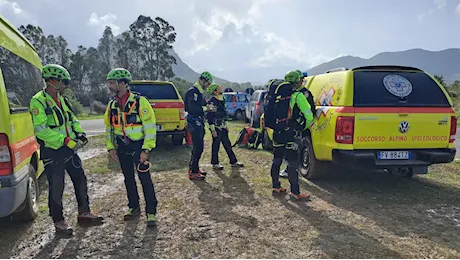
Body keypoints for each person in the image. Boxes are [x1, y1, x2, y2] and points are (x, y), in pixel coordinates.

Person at [30, 64, 103, 235]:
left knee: (80, 179)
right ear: (53, 81)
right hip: (53, 151)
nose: (66, 86)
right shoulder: (38, 101)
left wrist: (80, 133)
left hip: (69, 150)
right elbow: (41, 130)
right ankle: (59, 222)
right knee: (57, 186)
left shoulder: (63, 100)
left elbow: (72, 120)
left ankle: (84, 213)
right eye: (65, 82)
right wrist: (65, 140)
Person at [104, 68, 158, 226]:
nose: (109, 86)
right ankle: (133, 206)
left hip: (138, 145)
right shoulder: (112, 105)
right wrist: (110, 147)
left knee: (144, 178)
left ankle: (151, 211)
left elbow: (150, 127)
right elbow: (109, 128)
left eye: (112, 82)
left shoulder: (140, 102)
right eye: (109, 82)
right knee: (128, 177)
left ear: (123, 83)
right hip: (121, 146)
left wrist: (146, 149)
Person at [270, 70, 314, 200]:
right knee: (292, 163)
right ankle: (295, 192)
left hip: (278, 132)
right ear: (297, 81)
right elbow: (309, 115)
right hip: (291, 133)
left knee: (276, 160)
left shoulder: (277, 95)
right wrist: (303, 127)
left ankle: (275, 185)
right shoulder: (298, 95)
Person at [279, 70, 316, 178]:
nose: (301, 82)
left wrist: (303, 125)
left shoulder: (304, 94)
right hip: (288, 125)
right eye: (300, 80)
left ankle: (290, 170)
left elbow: (310, 111)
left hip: (298, 126)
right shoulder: (289, 92)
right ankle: (289, 169)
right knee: (289, 149)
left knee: (294, 149)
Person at [184, 71, 215, 180]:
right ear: (203, 80)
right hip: (193, 121)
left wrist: (206, 106)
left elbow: (200, 106)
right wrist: (206, 108)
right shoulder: (193, 92)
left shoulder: (199, 92)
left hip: (199, 121)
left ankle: (195, 168)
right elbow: (192, 108)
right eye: (208, 83)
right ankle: (193, 171)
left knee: (198, 147)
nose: (208, 86)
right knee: (198, 147)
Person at [206, 83, 244, 170]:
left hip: (222, 125)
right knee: (216, 145)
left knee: (227, 144)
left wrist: (225, 125)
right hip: (215, 126)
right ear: (214, 91)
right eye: (218, 88)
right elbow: (209, 116)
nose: (221, 89)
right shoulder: (212, 102)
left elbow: (223, 114)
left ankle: (233, 161)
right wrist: (213, 130)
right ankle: (215, 163)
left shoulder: (221, 100)